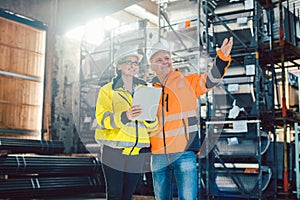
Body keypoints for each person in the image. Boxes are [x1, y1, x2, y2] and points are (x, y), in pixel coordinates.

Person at [148, 37, 233, 200]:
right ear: (152, 66)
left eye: (167, 58)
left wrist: (221, 59)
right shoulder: (147, 91)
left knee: (188, 198)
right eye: (159, 59)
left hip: (184, 150)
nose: (165, 62)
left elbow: (211, 79)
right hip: (158, 153)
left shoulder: (187, 82)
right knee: (161, 198)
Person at [95, 45, 158, 200]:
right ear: (119, 66)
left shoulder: (145, 90)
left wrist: (150, 118)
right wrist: (125, 116)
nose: (133, 66)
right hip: (113, 150)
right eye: (128, 62)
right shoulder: (108, 90)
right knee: (115, 194)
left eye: (135, 63)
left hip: (136, 151)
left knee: (128, 195)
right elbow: (102, 119)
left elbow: (152, 125)